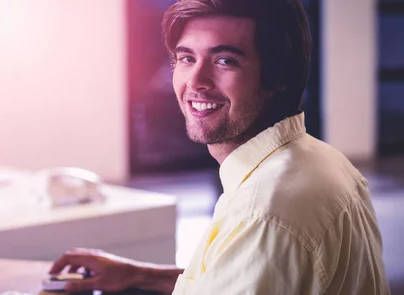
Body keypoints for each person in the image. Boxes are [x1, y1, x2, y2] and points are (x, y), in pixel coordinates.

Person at [49, 0, 390, 294]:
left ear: (277, 77)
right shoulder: (318, 158)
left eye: (224, 60)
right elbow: (246, 279)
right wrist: (141, 276)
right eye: (186, 58)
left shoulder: (266, 213)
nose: (196, 82)